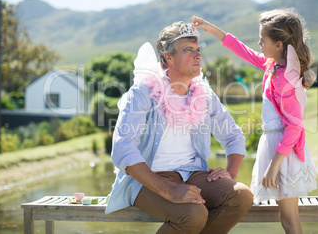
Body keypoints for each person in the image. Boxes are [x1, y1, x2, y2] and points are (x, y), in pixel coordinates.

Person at [105, 21, 254, 234]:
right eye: (188, 50)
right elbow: (122, 149)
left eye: (198, 50)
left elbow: (233, 135)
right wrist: (169, 190)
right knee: (192, 215)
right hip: (150, 177)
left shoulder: (203, 93)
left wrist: (230, 172)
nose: (198, 56)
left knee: (241, 196)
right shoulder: (142, 92)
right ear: (168, 57)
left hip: (193, 173)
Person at [191, 9, 317, 234]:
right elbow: (244, 51)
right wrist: (211, 29)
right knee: (286, 217)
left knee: (289, 218)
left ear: (279, 45)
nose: (259, 42)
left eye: (263, 39)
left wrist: (273, 165)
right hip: (275, 144)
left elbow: (295, 126)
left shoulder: (286, 78)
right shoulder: (273, 66)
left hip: (282, 151)